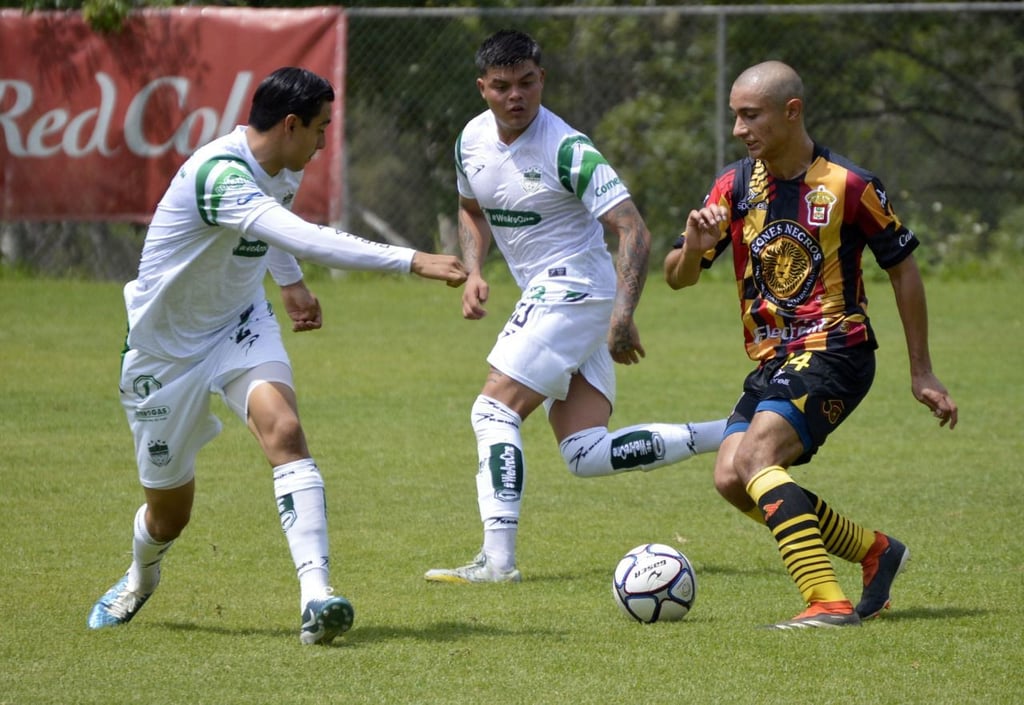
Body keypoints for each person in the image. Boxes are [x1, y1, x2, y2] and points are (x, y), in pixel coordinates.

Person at [86, 67, 468, 645]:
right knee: (169, 515)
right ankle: (141, 577)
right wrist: (411, 260)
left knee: (284, 430)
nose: (323, 142)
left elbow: (275, 236)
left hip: (239, 323)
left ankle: (316, 597)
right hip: (164, 354)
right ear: (289, 125)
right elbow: (301, 233)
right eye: (319, 130)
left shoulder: (280, 166)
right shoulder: (220, 174)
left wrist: (289, 285)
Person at [424, 30, 726, 585]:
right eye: (502, 86)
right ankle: (732, 431)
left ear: (542, 79)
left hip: (575, 289)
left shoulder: (567, 148)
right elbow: (470, 209)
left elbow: (633, 227)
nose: (516, 96)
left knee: (493, 411)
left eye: (527, 82)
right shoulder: (470, 140)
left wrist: (620, 315)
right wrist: (472, 271)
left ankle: (497, 563)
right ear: (482, 89)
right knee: (585, 452)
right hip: (561, 295)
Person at [664, 60, 958, 629]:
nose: (738, 130)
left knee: (755, 459)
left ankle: (826, 600)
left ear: (791, 111)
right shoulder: (734, 185)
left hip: (837, 348)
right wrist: (692, 247)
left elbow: (903, 270)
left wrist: (922, 370)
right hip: (775, 358)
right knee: (730, 478)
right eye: (735, 117)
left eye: (750, 116)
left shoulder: (850, 184)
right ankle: (875, 550)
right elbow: (680, 277)